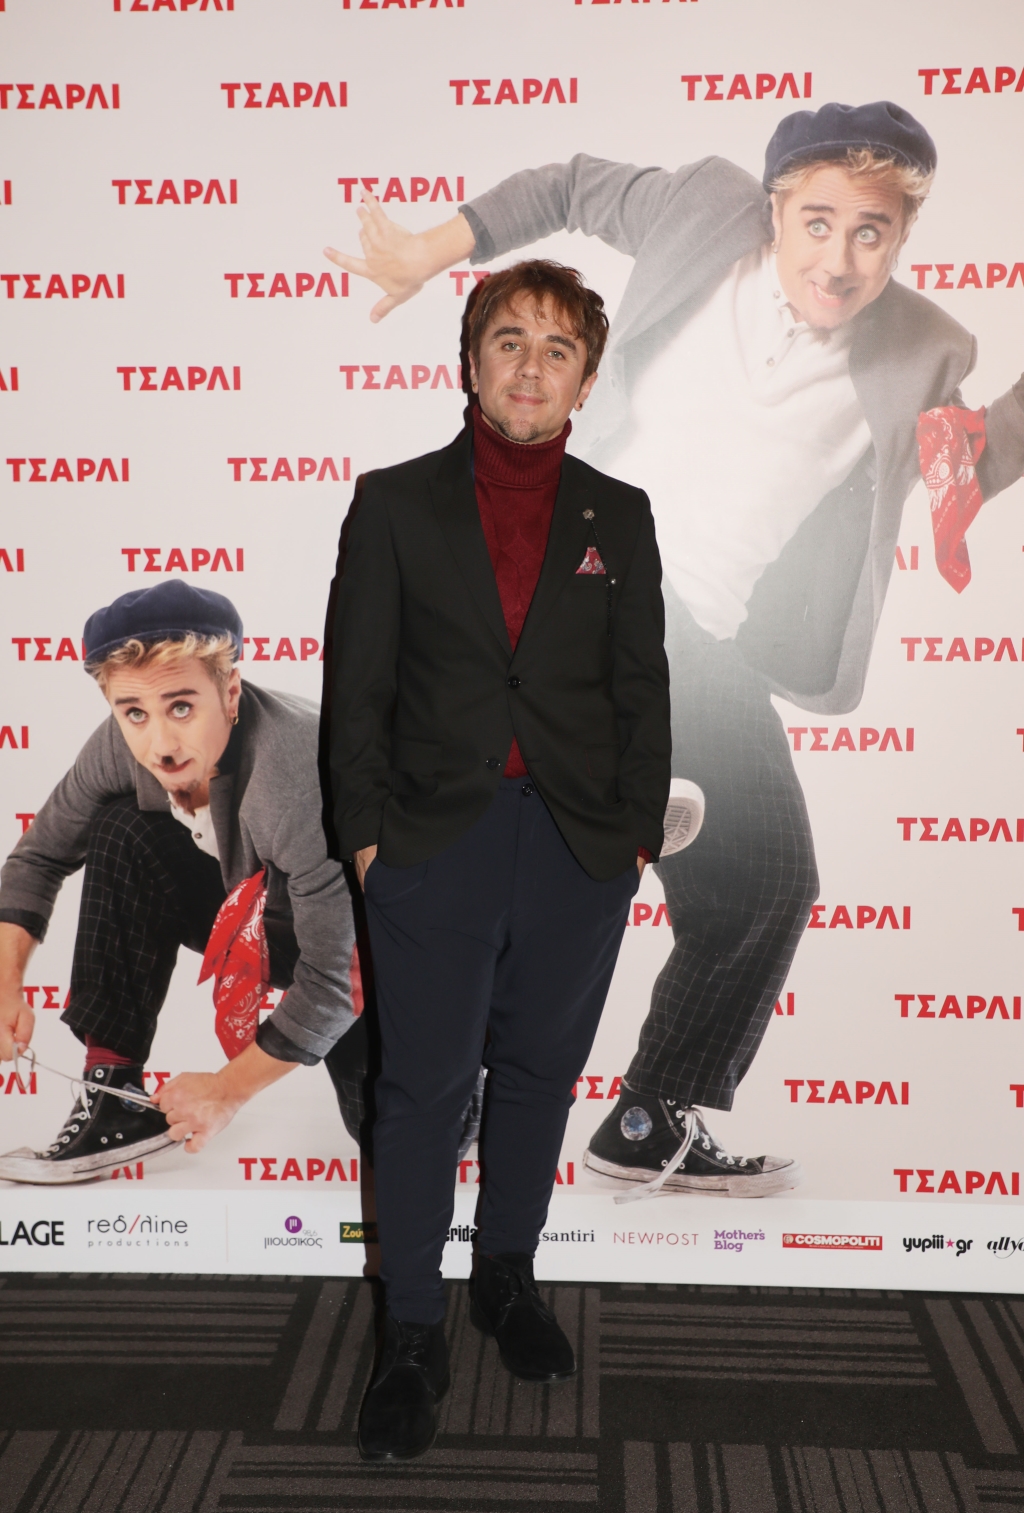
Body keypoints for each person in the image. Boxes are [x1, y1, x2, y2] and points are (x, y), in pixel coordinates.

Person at [325, 100, 1024, 1198]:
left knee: (762, 881)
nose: (839, 259)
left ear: (903, 236)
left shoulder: (923, 348)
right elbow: (566, 185)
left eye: (872, 232)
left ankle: (647, 1118)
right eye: (818, 223)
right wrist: (432, 247)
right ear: (774, 210)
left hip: (698, 641)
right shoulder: (700, 208)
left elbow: (960, 477)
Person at [328, 259, 670, 1461]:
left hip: (576, 846)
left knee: (537, 1078)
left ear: (586, 377)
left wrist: (631, 840)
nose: (531, 366)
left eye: (557, 347)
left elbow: (641, 689)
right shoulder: (393, 504)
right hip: (433, 844)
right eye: (510, 340)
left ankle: (508, 1278)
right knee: (421, 1092)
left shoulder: (619, 512)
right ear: (470, 362)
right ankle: (411, 1330)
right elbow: (356, 690)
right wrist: (369, 844)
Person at [0, 580, 359, 1180]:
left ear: (231, 692)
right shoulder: (120, 746)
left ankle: (471, 1063)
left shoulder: (299, 775)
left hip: (384, 953)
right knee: (124, 828)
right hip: (262, 923)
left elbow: (338, 976)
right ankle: (113, 1096)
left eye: (182, 707)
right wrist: (5, 983)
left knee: (406, 1134)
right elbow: (37, 858)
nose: (161, 745)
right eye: (134, 713)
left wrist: (226, 1089)